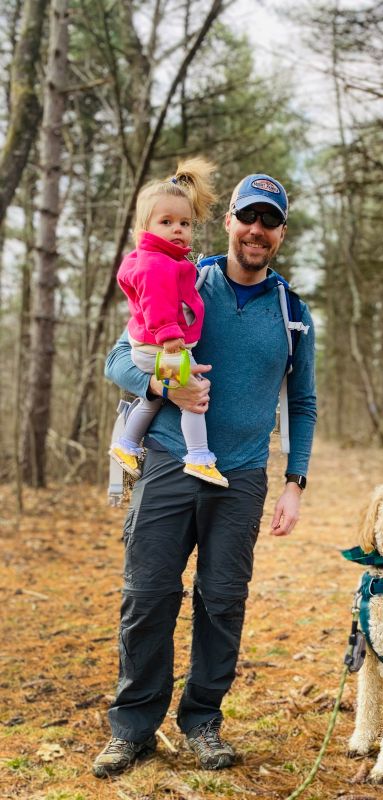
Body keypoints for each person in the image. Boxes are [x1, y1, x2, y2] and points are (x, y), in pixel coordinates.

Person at [93, 173, 317, 778]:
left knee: (223, 602)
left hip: (241, 476)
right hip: (168, 457)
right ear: (229, 222)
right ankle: (134, 727)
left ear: (280, 233)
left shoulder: (292, 313)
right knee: (147, 596)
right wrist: (166, 385)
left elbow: (302, 404)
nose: (257, 231)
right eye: (249, 217)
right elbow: (120, 359)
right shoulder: (183, 277)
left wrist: (295, 482)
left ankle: (202, 722)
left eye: (270, 222)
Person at [109, 157, 228, 488]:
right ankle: (199, 455)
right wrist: (171, 339)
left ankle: (128, 443)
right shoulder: (157, 264)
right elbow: (156, 303)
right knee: (194, 395)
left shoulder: (165, 260)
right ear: (145, 228)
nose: (178, 229)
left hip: (154, 346)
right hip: (161, 346)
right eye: (167, 222)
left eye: (185, 223)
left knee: (158, 396)